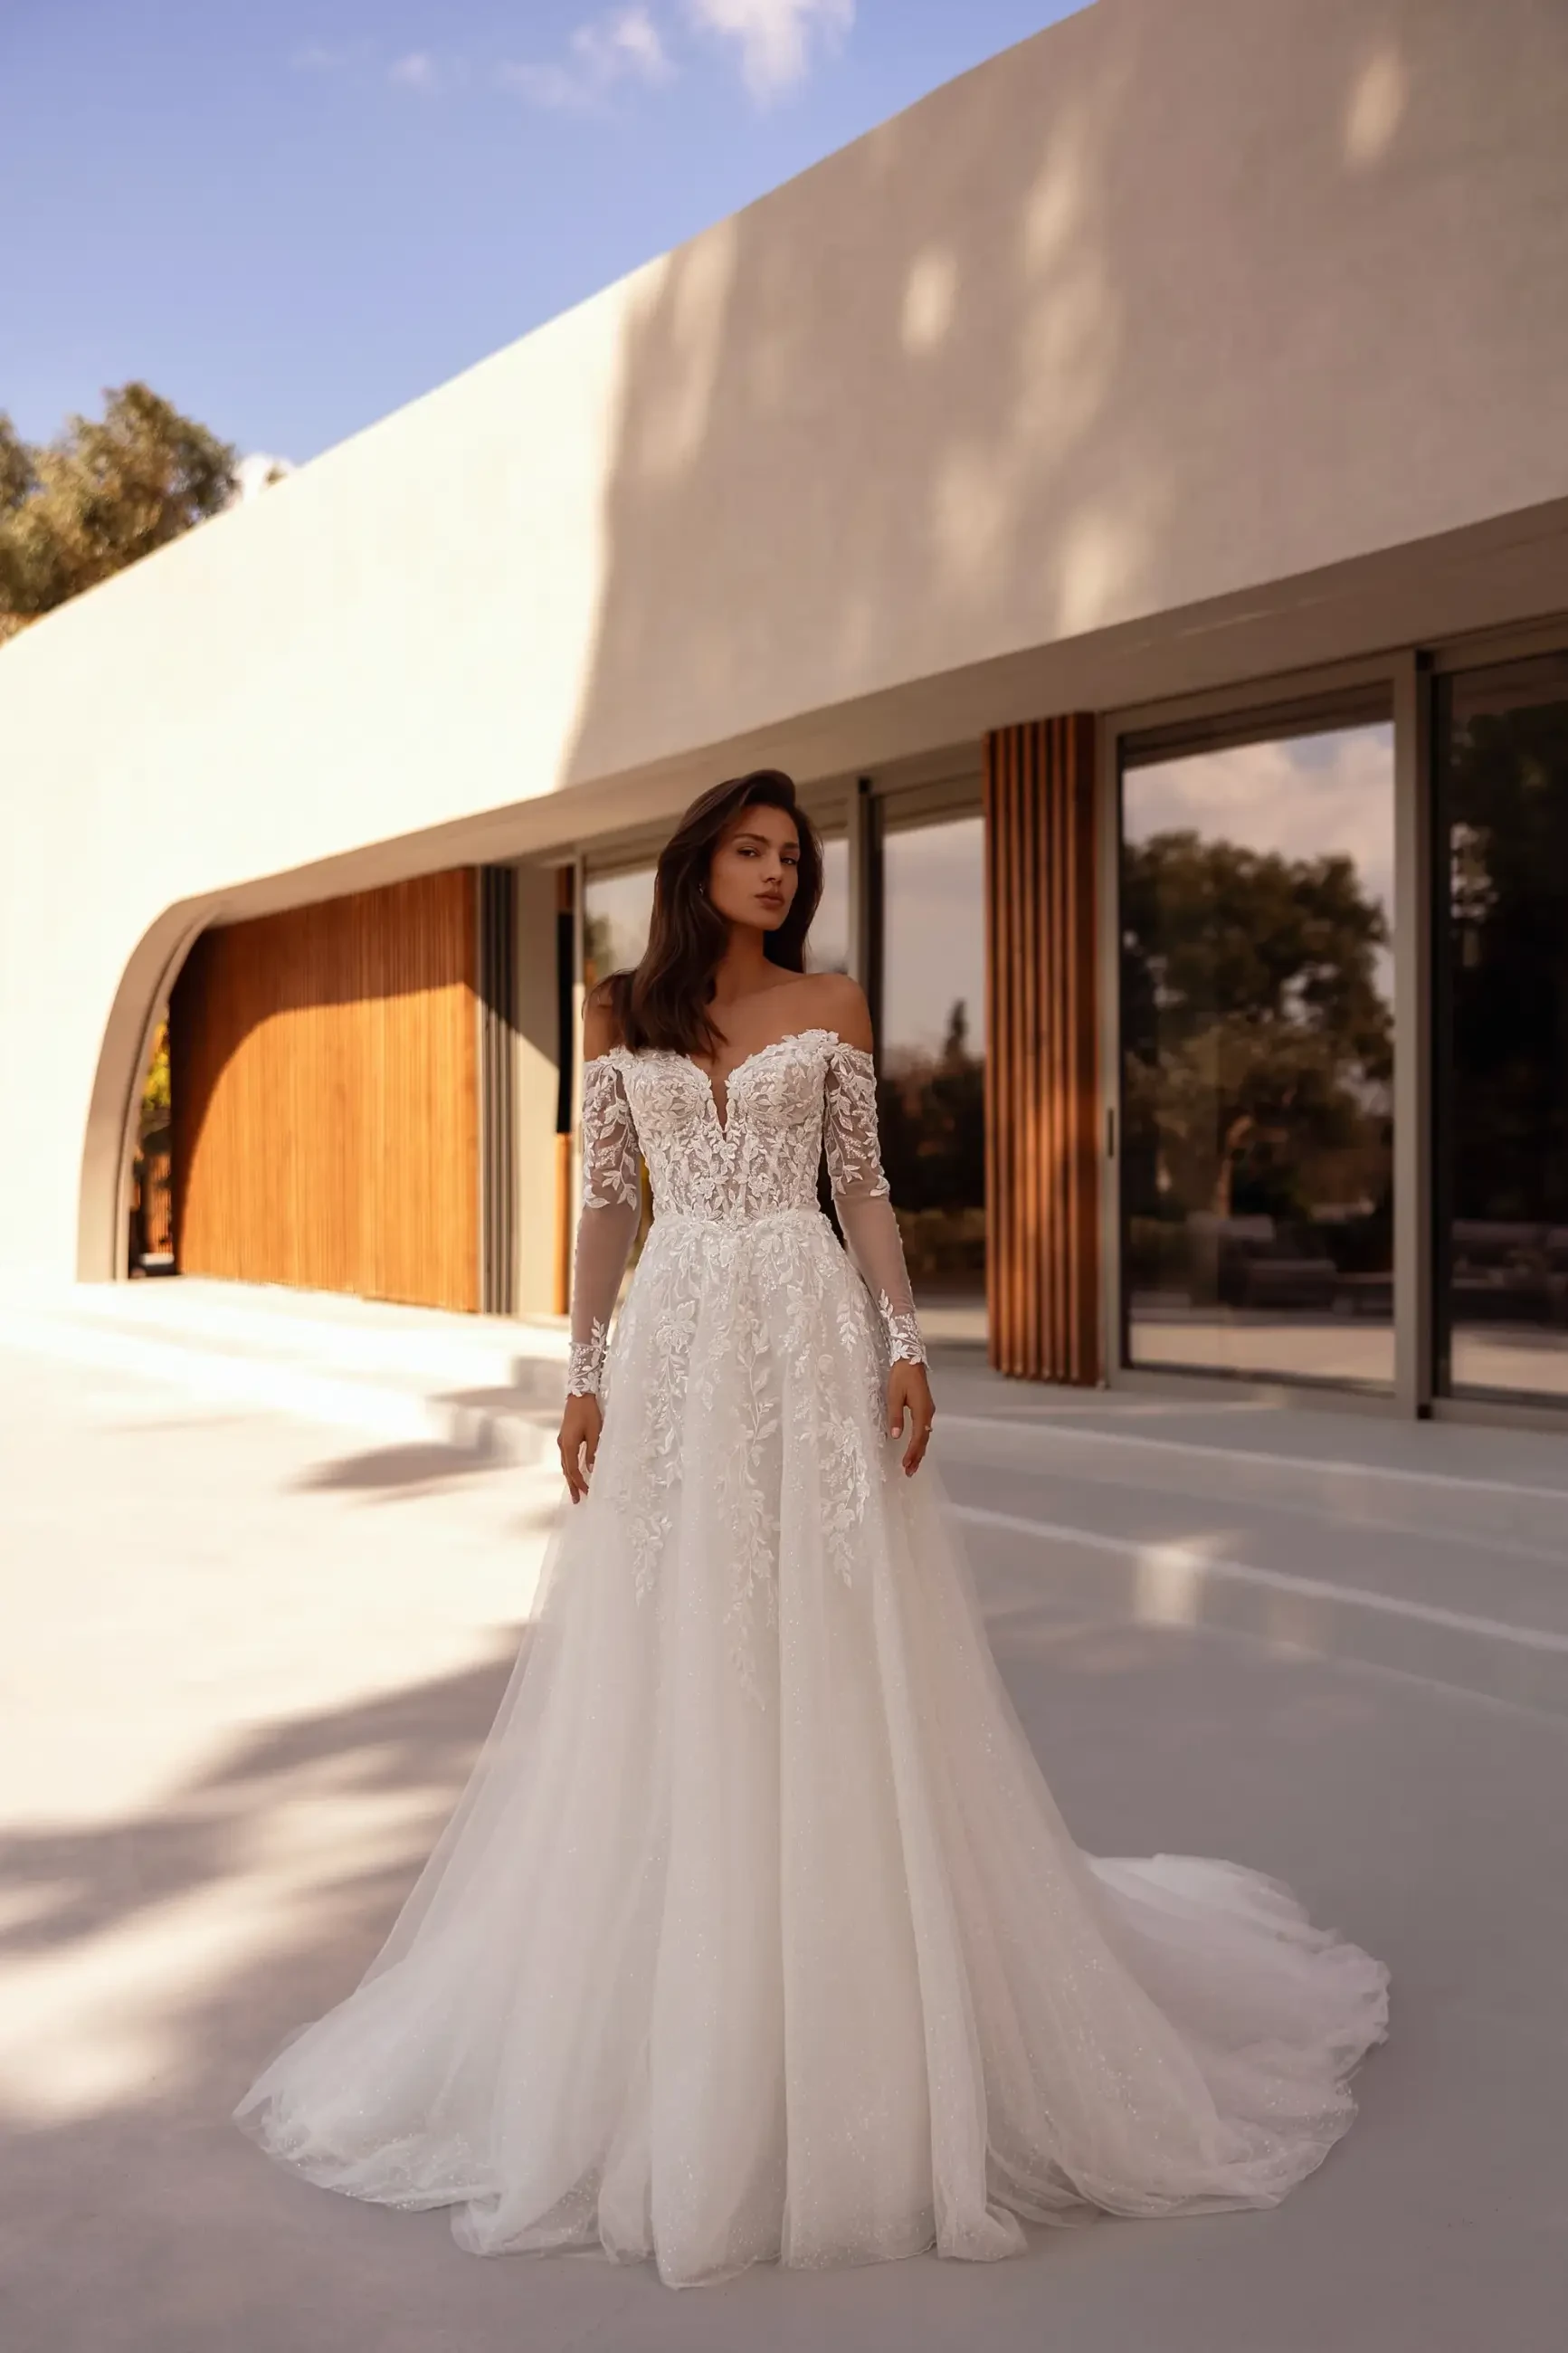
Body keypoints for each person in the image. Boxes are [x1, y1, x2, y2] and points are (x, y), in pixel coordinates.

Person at [234, 769, 1390, 2290]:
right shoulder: (612, 1013)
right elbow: (603, 1209)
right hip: (673, 1354)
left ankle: (858, 1990)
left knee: (831, 1635)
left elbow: (863, 1192)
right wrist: (580, 1379)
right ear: (699, 860)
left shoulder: (831, 1006)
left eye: (794, 857)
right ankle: (685, 2000)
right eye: (753, 850)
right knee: (679, 1646)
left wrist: (908, 1344)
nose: (778, 874)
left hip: (802, 1326)